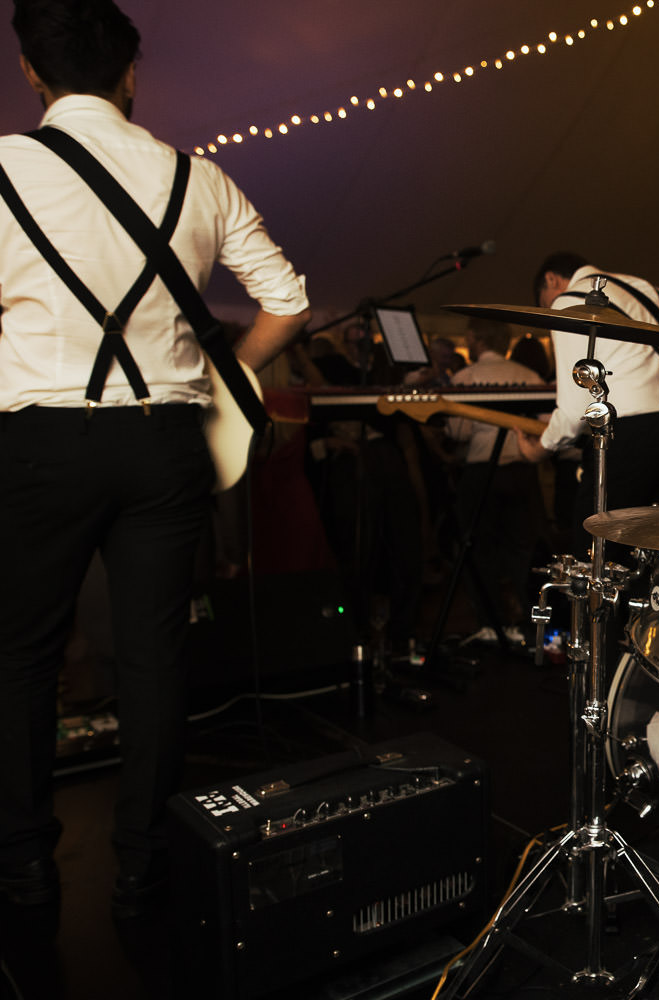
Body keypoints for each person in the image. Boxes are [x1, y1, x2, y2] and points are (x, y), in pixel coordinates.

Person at [0, 0, 310, 931]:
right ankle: (142, 869)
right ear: (131, 74)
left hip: (41, 440)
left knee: (20, 658)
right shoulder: (196, 177)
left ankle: (22, 870)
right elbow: (287, 302)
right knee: (154, 658)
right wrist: (228, 372)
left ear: (30, 72)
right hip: (165, 440)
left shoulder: (4, 169)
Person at [516, 252, 659, 555]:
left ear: (551, 279)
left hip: (628, 438)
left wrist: (540, 448)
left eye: (544, 301)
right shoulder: (649, 290)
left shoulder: (567, 300)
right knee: (651, 553)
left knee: (596, 554)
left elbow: (571, 407)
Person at [445, 323, 548, 645]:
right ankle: (531, 628)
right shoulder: (530, 376)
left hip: (481, 471)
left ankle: (491, 624)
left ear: (476, 339)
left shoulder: (466, 377)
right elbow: (547, 427)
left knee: (480, 551)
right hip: (521, 470)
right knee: (524, 552)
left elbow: (457, 432)